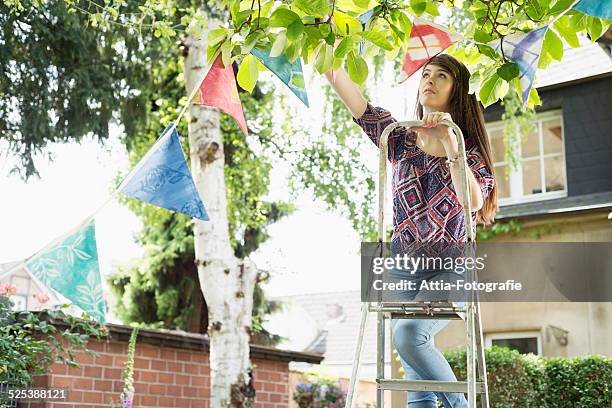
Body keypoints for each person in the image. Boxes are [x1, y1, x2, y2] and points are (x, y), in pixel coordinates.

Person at [324, 53, 498, 408]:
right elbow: (350, 95)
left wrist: (451, 143)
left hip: (452, 267)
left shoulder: (469, 151)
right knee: (415, 376)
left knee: (410, 335)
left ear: (457, 91)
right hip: (403, 264)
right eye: (426, 75)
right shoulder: (399, 138)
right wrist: (327, 49)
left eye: (441, 76)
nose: (429, 81)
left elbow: (474, 202)